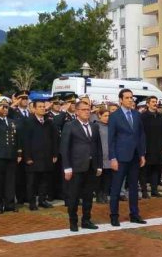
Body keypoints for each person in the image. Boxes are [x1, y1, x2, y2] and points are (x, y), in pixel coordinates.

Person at [60, 100, 103, 231]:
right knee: (73, 196)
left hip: (91, 166)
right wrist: (67, 167)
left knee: (88, 196)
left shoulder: (94, 126)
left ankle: (86, 220)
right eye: (84, 109)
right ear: (77, 111)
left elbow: (98, 147)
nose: (87, 111)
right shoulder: (70, 126)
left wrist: (99, 165)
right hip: (76, 167)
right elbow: (64, 148)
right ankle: (73, 222)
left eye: (88, 109)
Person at [107, 88, 146, 226]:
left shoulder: (136, 115)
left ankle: (134, 214)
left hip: (135, 156)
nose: (130, 100)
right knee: (116, 188)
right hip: (120, 157)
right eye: (127, 98)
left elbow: (141, 135)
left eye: (131, 97)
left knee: (134, 187)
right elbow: (110, 139)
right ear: (121, 100)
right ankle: (114, 215)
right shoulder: (114, 116)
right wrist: (112, 158)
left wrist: (142, 154)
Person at [22, 98, 58, 210]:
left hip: (47, 157)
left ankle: (42, 200)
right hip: (33, 157)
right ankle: (32, 202)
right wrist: (27, 157)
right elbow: (25, 141)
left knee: (44, 181)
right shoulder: (28, 121)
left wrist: (55, 154)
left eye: (44, 107)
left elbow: (54, 139)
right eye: (40, 107)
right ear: (34, 108)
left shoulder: (49, 122)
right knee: (32, 182)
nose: (42, 109)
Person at [140, 95, 162, 199]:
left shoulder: (160, 116)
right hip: (147, 147)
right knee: (144, 170)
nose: (155, 103)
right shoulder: (143, 116)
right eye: (153, 102)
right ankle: (144, 191)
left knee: (156, 169)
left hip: (158, 147)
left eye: (156, 101)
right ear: (148, 104)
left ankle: (154, 190)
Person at [96, 107, 113, 203]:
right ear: (99, 116)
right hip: (100, 155)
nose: (107, 118)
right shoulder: (96, 126)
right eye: (105, 116)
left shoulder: (111, 126)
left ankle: (105, 194)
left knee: (108, 177)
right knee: (99, 177)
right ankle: (99, 194)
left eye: (108, 116)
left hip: (110, 155)